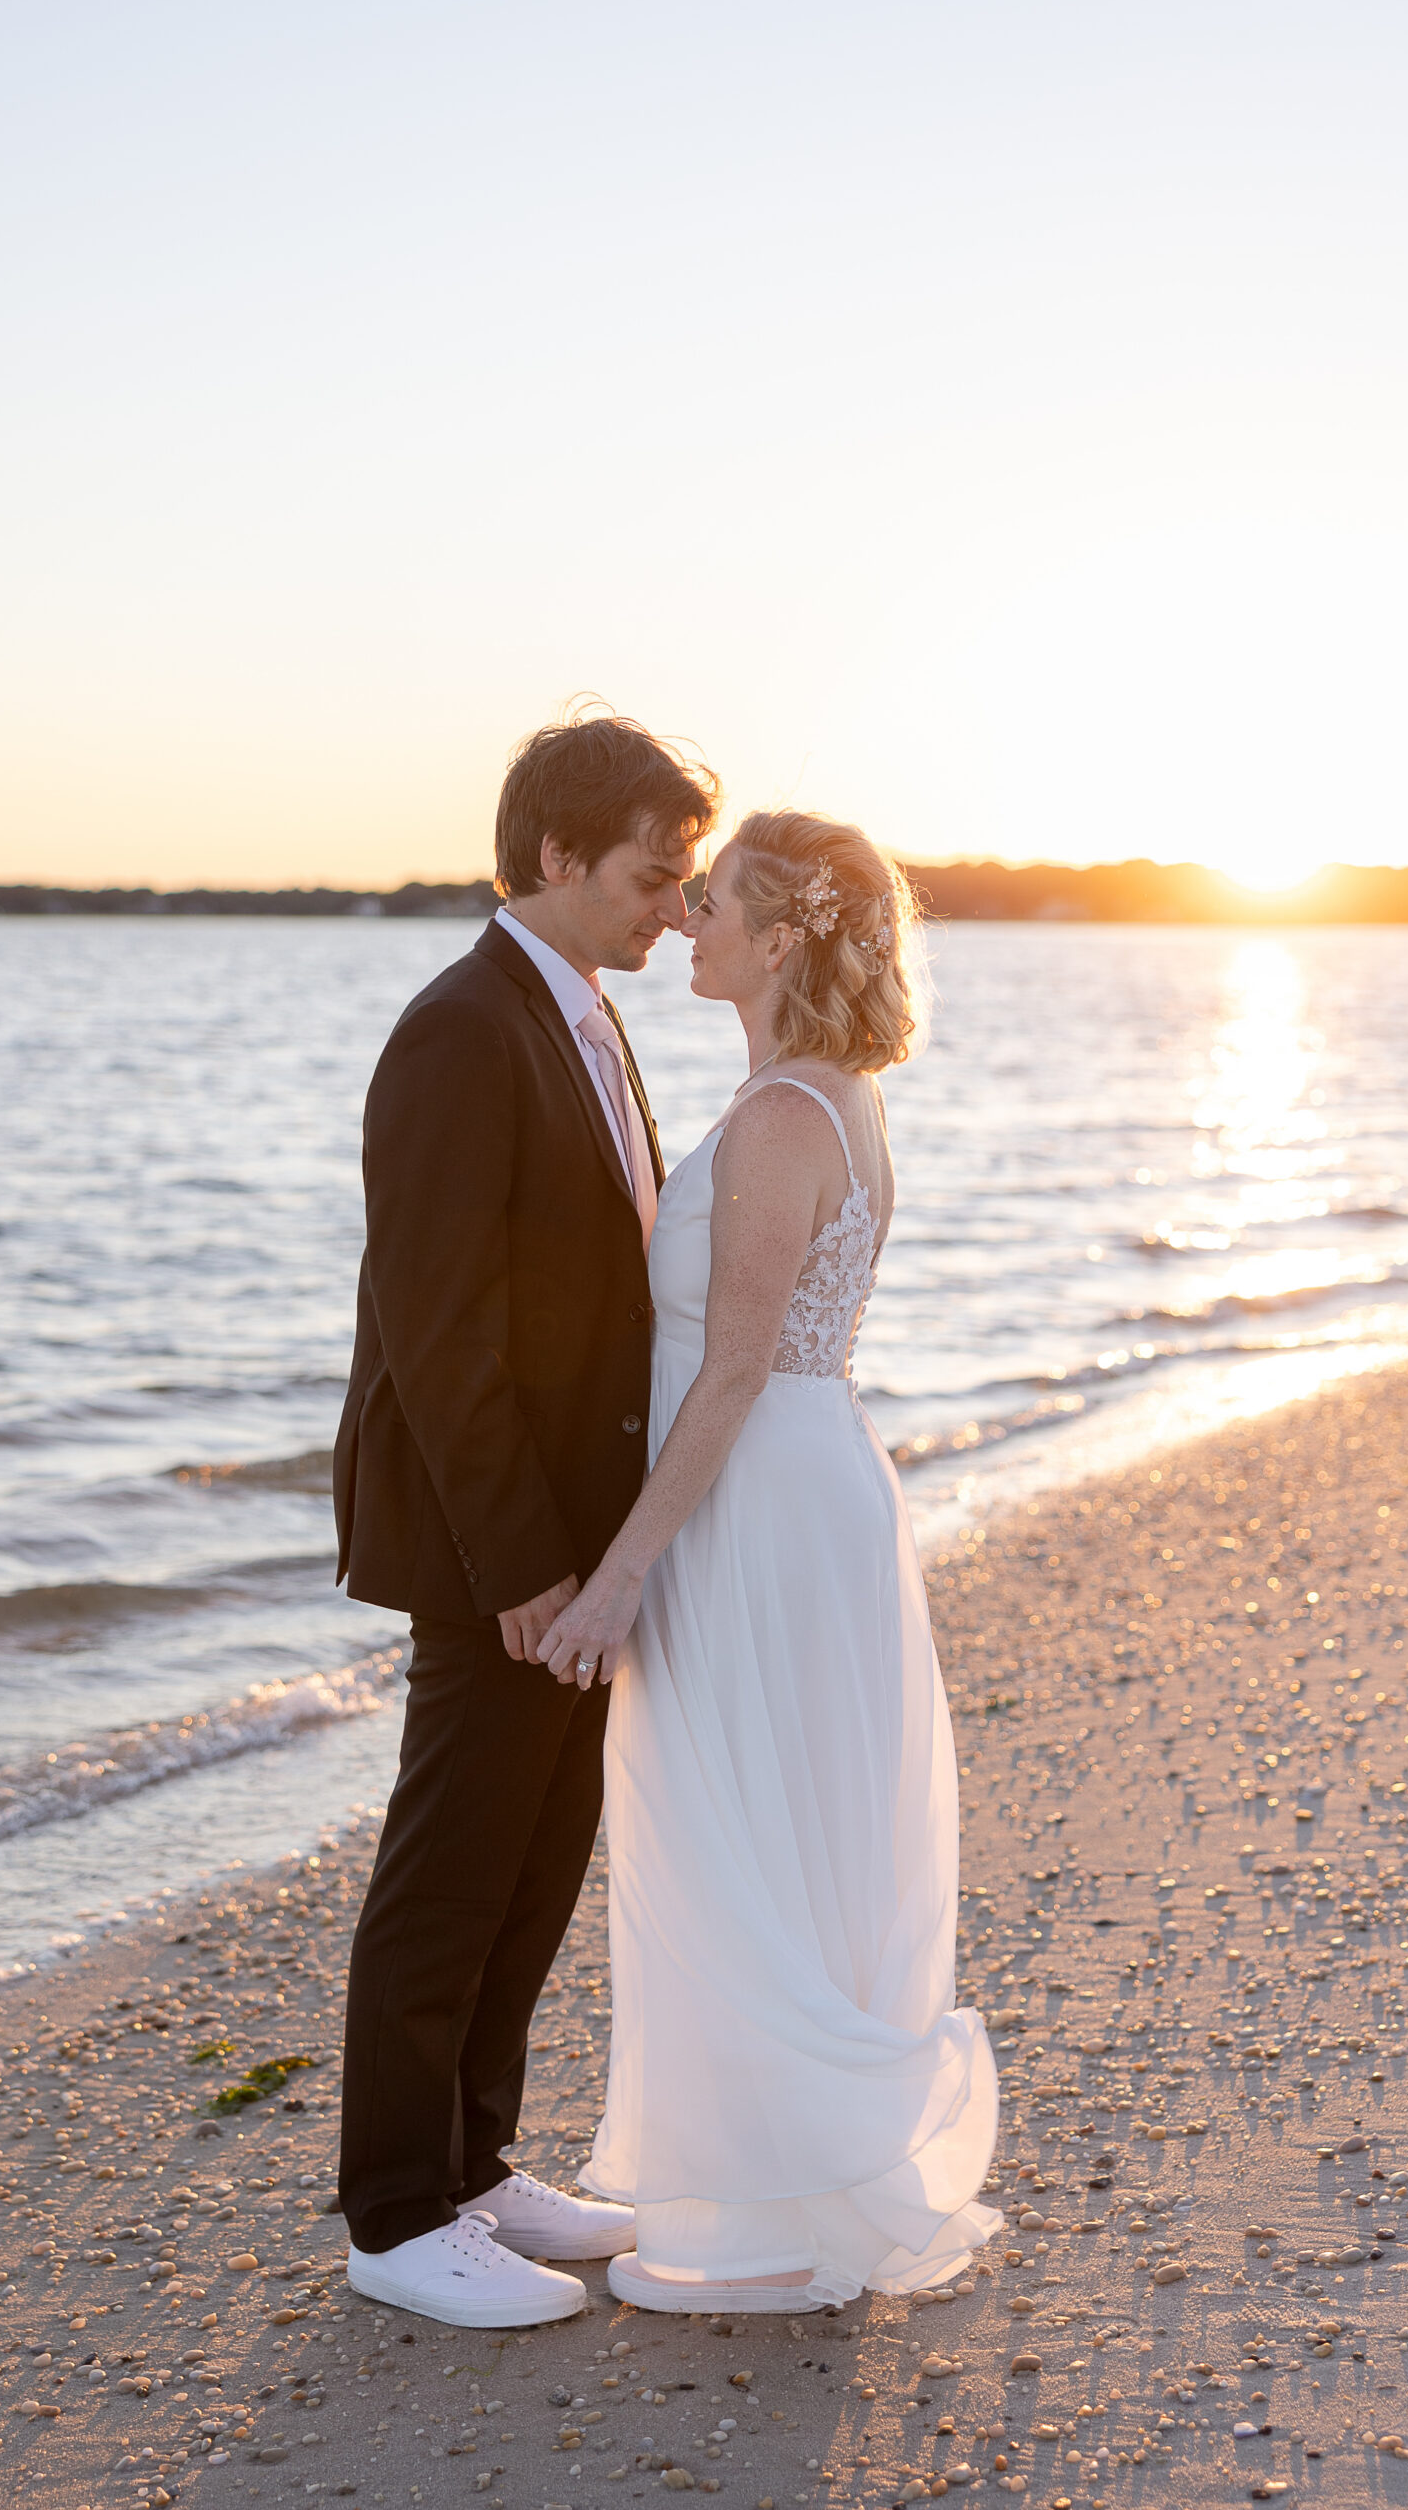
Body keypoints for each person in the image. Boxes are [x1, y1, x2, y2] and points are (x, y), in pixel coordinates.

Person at [538, 808, 1001, 2310]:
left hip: (758, 1501)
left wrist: (615, 1575)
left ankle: (768, 2214)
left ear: (785, 937)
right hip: (799, 1490)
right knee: (781, 1826)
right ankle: (780, 2193)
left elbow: (732, 1370)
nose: (688, 919)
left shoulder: (793, 1115)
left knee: (739, 1830)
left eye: (719, 899)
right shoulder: (817, 1098)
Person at [333, 708, 719, 2326]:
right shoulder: (461, 1029)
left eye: (686, 877)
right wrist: (523, 1565)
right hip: (501, 1548)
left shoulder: (584, 1014)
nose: (672, 905)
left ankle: (480, 2167)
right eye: (650, 871)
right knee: (453, 1862)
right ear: (557, 856)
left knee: (540, 1856)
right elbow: (439, 1332)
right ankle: (394, 2214)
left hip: (583, 1537)